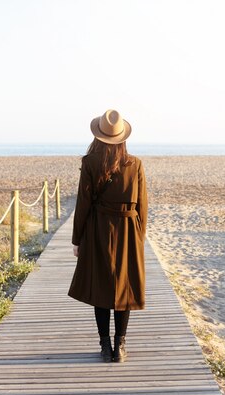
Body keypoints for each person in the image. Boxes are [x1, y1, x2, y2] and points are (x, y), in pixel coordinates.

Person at [68, 109, 147, 363]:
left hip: (98, 228)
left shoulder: (90, 162)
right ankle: (120, 346)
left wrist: (77, 239)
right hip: (127, 230)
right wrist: (139, 235)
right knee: (123, 288)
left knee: (101, 286)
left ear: (99, 136)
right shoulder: (135, 164)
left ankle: (105, 346)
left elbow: (83, 203)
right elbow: (142, 205)